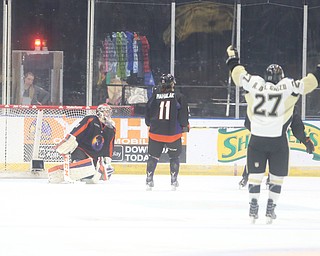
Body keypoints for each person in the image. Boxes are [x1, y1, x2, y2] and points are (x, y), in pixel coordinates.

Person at [226, 45, 320, 224]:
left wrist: (232, 59)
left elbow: (238, 74)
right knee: (277, 176)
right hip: (278, 141)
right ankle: (271, 206)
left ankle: (253, 204)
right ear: (281, 77)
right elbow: (308, 84)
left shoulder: (255, 84)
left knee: (255, 174)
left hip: (257, 139)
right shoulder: (287, 87)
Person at [239, 105, 315, 188]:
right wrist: (305, 140)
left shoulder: (258, 99)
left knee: (255, 158)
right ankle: (265, 179)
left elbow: (248, 122)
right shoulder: (288, 102)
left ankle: (247, 177)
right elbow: (297, 127)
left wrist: (258, 130)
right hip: (276, 138)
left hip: (261, 137)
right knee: (268, 159)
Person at [145, 74, 190, 191]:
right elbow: (183, 116)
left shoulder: (154, 96)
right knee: (174, 157)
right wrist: (184, 126)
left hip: (155, 133)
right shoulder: (179, 96)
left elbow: (148, 113)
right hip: (173, 135)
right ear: (172, 83)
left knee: (153, 157)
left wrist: (150, 123)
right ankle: (174, 180)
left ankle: (149, 178)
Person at [53, 103, 116, 183]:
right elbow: (78, 130)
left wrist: (108, 156)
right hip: (81, 149)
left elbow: (110, 143)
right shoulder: (91, 119)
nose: (107, 114)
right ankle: (71, 169)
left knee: (90, 175)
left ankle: (88, 172)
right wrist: (70, 140)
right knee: (79, 165)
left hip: (94, 155)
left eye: (109, 112)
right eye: (105, 111)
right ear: (99, 112)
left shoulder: (111, 128)